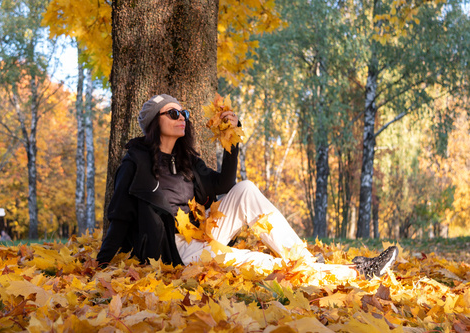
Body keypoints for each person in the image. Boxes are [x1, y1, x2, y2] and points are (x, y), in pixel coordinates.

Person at [96, 94, 398, 279]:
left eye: (184, 114)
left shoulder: (185, 158)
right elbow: (120, 218)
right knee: (260, 262)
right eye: (173, 113)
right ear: (154, 122)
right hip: (176, 251)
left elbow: (223, 184)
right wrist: (101, 265)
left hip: (202, 235)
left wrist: (232, 135)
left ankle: (305, 261)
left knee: (246, 189)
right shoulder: (135, 163)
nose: (182, 118)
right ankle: (357, 272)